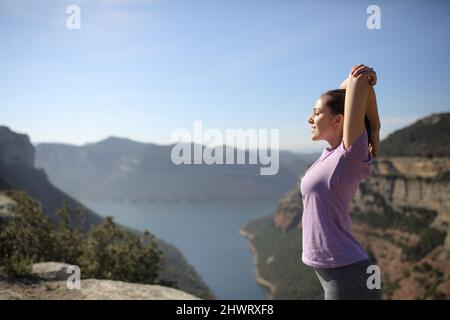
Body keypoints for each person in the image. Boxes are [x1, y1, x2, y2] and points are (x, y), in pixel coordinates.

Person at [299, 64, 381, 300]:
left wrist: (374, 128)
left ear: (338, 120)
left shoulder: (350, 154)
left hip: (348, 275)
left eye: (316, 112)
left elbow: (360, 81)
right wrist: (355, 81)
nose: (309, 118)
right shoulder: (331, 154)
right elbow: (349, 86)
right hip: (335, 273)